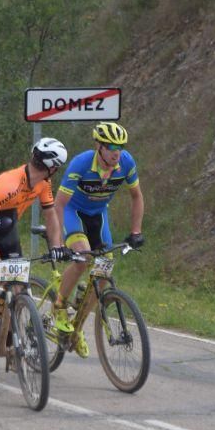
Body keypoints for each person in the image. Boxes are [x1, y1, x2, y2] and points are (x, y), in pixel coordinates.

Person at [0, 137, 70, 342]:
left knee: (19, 285)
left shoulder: (43, 184)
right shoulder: (9, 185)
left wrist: (57, 246)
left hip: (8, 231)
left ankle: (9, 328)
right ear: (53, 167)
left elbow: (50, 215)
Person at [52, 121, 144, 357]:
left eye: (120, 146)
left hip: (98, 217)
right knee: (82, 259)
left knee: (104, 272)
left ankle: (77, 329)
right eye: (112, 146)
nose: (117, 151)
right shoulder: (81, 163)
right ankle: (60, 305)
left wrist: (136, 232)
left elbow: (136, 196)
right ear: (99, 146)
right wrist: (59, 243)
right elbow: (59, 204)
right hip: (74, 214)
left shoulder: (126, 163)